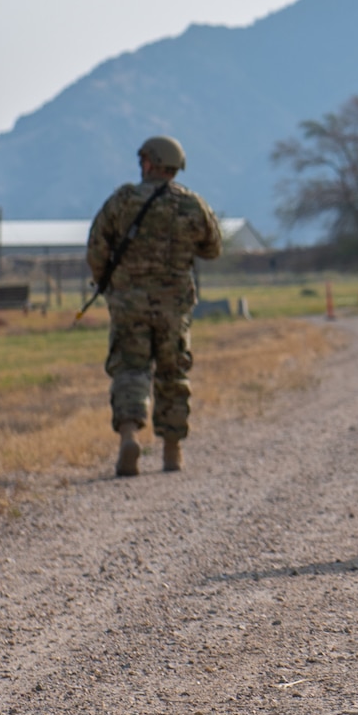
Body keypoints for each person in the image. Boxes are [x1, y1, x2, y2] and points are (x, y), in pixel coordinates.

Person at [87, 136, 222, 476]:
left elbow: (96, 246)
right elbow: (212, 248)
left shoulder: (122, 201)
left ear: (149, 163)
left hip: (129, 304)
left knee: (130, 369)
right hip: (173, 307)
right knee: (173, 373)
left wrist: (109, 283)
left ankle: (129, 436)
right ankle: (172, 451)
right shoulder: (193, 205)